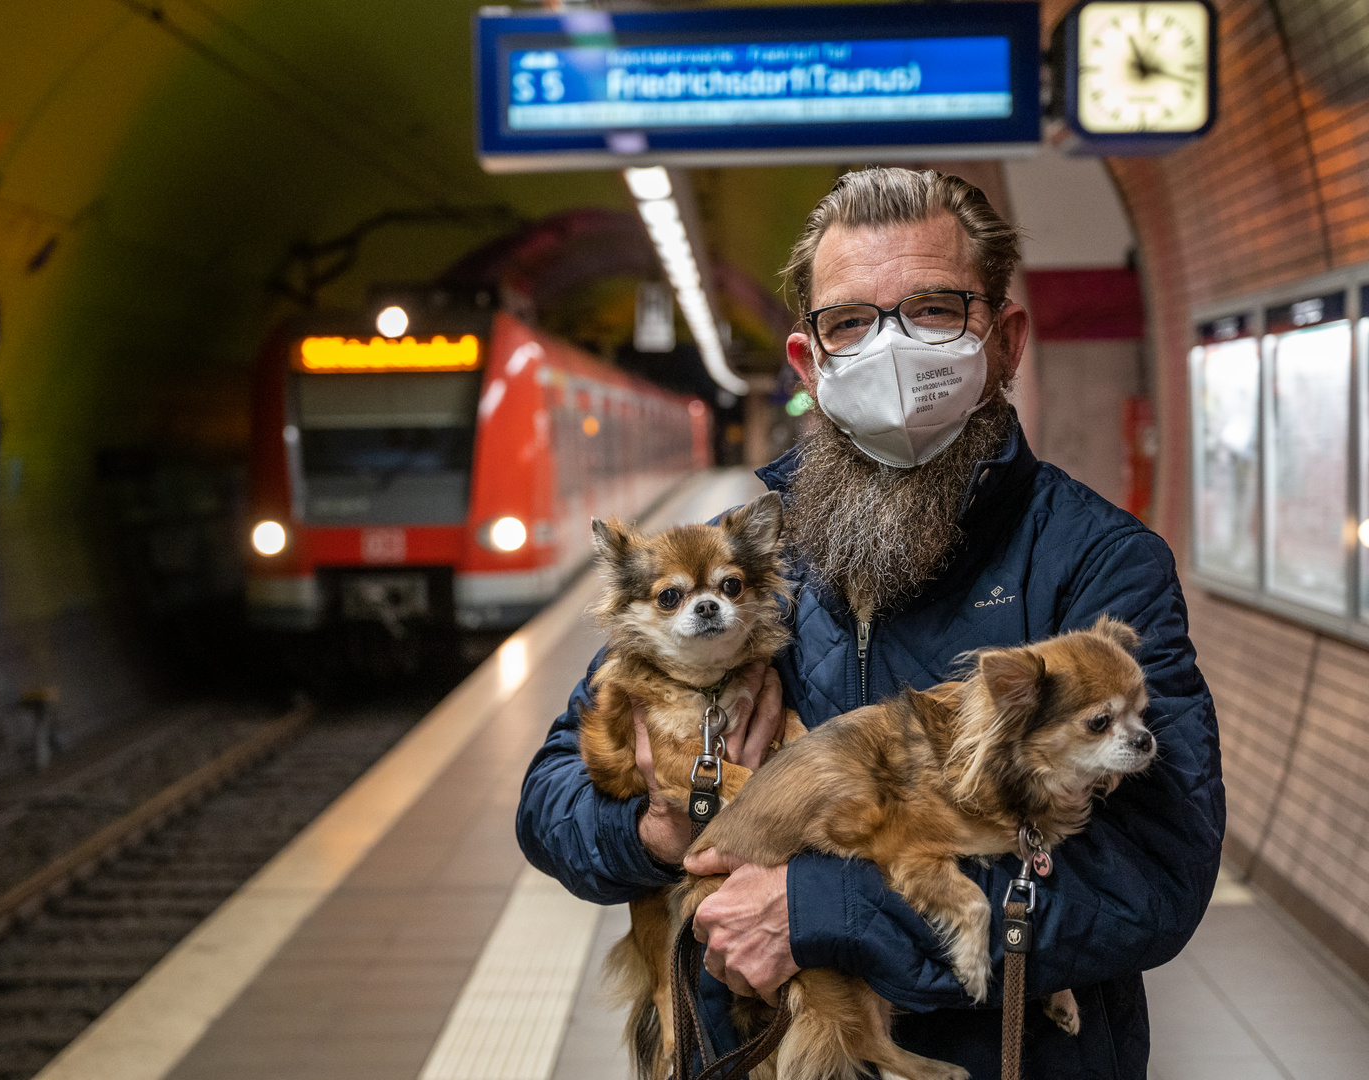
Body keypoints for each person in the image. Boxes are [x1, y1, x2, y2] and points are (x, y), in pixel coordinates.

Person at [517, 167, 1223, 1079]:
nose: (890, 351)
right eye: (850, 322)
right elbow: (550, 798)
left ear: (1004, 341)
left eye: (933, 310)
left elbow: (1150, 881)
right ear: (810, 363)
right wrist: (651, 832)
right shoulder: (755, 559)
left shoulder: (1095, 564)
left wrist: (821, 909)